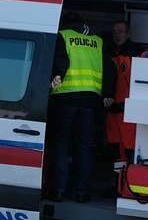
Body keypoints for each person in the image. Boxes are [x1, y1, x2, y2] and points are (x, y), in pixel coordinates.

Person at [49, 12, 115, 203]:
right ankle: (81, 192)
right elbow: (109, 68)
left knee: (61, 145)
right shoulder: (97, 41)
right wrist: (107, 93)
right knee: (84, 147)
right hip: (90, 100)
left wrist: (54, 79)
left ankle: (59, 190)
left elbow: (60, 62)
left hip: (65, 97)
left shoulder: (63, 36)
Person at [106, 21, 141, 163]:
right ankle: (116, 174)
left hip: (127, 109)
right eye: (115, 32)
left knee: (128, 146)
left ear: (128, 33)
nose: (117, 35)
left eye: (120, 31)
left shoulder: (136, 52)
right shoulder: (108, 51)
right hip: (111, 107)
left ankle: (126, 173)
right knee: (113, 145)